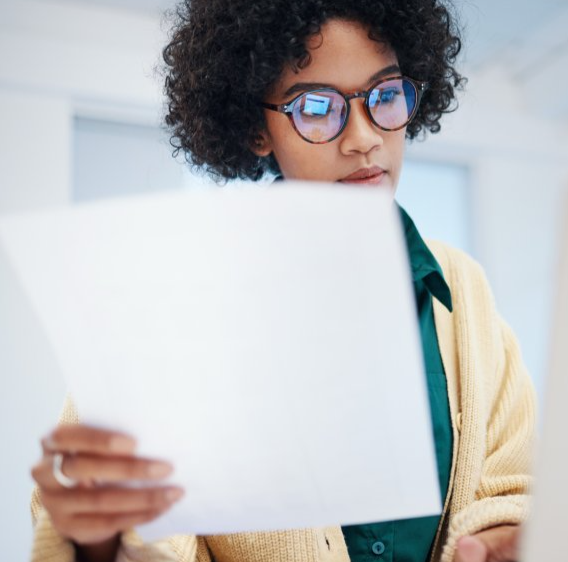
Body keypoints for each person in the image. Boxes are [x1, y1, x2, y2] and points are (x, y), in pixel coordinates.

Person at [28, 1, 536, 561]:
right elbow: (127, 527)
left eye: (385, 95)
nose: (364, 138)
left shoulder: (462, 291)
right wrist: (101, 538)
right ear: (256, 129)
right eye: (317, 108)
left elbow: (512, 489)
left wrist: (498, 540)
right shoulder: (173, 301)